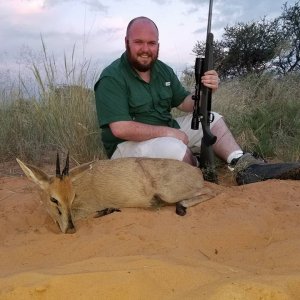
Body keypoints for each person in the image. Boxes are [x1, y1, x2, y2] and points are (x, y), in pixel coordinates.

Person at [94, 16, 300, 185]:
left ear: (158, 45)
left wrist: (205, 91)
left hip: (168, 132)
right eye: (138, 42)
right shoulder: (112, 76)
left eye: (151, 43)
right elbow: (120, 128)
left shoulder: (162, 70)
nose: (145, 49)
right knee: (175, 149)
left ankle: (244, 166)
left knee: (212, 119)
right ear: (127, 42)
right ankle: (197, 172)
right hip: (126, 147)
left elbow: (185, 102)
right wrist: (169, 133)